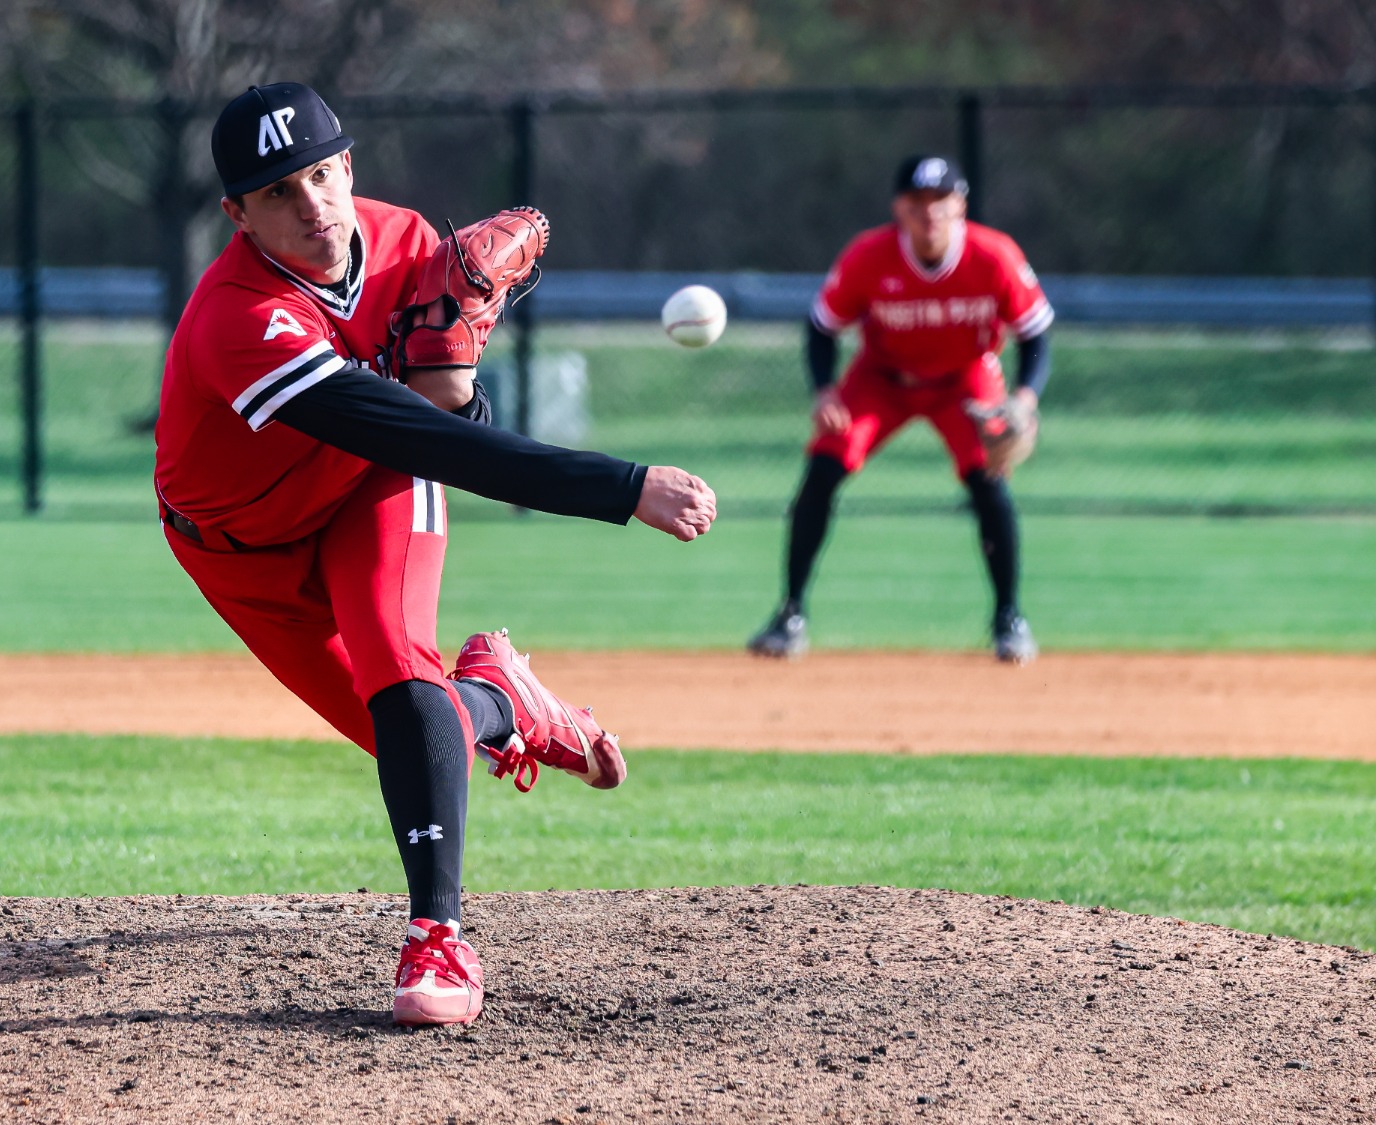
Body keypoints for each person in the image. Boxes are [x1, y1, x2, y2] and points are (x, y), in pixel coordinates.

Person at [154, 83, 718, 1027]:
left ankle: (438, 937)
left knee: (402, 678)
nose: (313, 205)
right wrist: (623, 488)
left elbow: (444, 428)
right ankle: (505, 699)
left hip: (371, 484)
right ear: (237, 214)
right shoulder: (239, 317)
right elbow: (440, 442)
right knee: (418, 745)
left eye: (324, 174)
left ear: (349, 166)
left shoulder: (413, 246)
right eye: (280, 191)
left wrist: (455, 386)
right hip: (239, 552)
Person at [747, 154, 1054, 665]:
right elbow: (823, 325)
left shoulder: (993, 255)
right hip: (882, 378)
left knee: (989, 480)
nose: (929, 212)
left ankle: (1009, 618)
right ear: (899, 208)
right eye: (917, 201)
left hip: (965, 379)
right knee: (823, 466)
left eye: (940, 200)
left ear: (961, 204)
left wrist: (1023, 399)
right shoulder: (869, 256)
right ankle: (790, 614)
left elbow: (1034, 330)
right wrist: (824, 392)